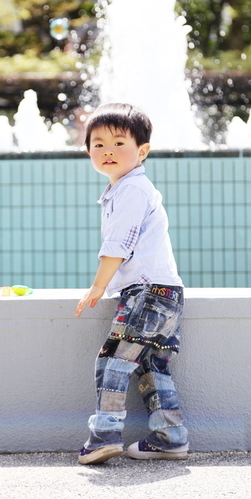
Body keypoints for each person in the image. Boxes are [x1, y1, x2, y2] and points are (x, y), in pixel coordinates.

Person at [75, 102, 188, 465]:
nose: (107, 151)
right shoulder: (126, 189)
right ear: (88, 151)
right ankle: (170, 437)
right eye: (98, 144)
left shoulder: (132, 190)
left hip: (146, 293)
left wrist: (97, 287)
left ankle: (104, 435)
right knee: (152, 367)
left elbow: (118, 245)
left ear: (142, 151)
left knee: (113, 361)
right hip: (165, 293)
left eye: (119, 143)